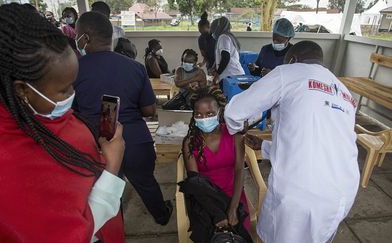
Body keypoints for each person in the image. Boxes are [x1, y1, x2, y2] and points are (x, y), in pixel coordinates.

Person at [0, 3, 126, 242]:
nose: (71, 95)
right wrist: (111, 169)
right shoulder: (1, 164)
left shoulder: (34, 107)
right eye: (63, 89)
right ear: (21, 90)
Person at [224, 41, 360, 243]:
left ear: (293, 60)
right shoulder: (342, 90)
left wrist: (235, 133)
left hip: (303, 192)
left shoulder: (287, 72)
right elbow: (320, 141)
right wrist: (264, 146)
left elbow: (235, 112)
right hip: (344, 191)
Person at [73, 12, 173, 226]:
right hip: (135, 140)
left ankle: (110, 226)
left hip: (94, 143)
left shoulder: (73, 69)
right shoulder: (135, 67)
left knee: (104, 189)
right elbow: (148, 110)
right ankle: (162, 216)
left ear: (85, 38)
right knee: (146, 182)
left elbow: (72, 111)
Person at [181, 87, 251, 241]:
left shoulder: (235, 135)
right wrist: (217, 213)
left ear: (220, 112)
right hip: (205, 198)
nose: (203, 118)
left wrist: (232, 208)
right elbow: (196, 183)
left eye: (209, 114)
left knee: (240, 230)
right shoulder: (191, 142)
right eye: (198, 114)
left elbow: (240, 170)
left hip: (233, 193)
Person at [210, 17, 245, 87]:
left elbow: (226, 56)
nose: (212, 32)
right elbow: (223, 55)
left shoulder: (223, 37)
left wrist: (217, 73)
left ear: (217, 28)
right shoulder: (229, 36)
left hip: (230, 75)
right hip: (235, 75)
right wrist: (215, 66)